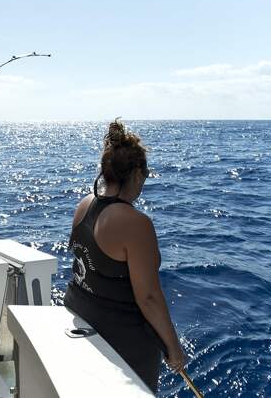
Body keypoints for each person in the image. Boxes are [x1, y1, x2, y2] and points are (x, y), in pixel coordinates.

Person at [63, 119, 185, 393]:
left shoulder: (83, 205)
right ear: (137, 175)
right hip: (120, 339)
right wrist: (174, 349)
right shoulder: (136, 224)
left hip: (79, 315)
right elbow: (149, 298)